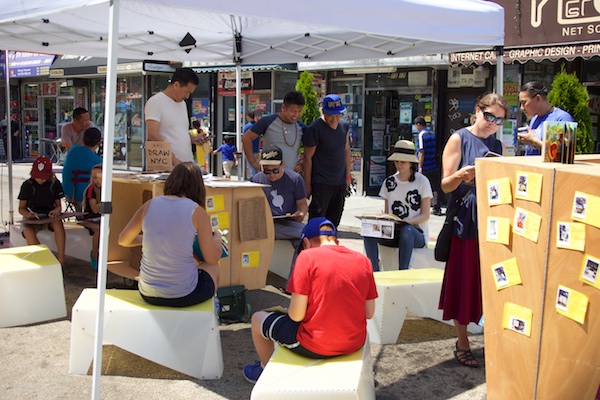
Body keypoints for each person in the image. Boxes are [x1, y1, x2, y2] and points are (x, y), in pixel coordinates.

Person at [243, 217, 378, 384]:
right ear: (335, 239)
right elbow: (369, 312)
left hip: (314, 344)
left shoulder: (307, 258)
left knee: (257, 319)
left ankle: (264, 369)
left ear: (306, 242)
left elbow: (296, 316)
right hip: (353, 342)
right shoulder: (363, 261)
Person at [438, 92, 508, 368]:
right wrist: (460, 176)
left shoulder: (497, 144)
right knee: (464, 280)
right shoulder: (459, 138)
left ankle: (491, 338)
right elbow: (444, 185)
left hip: (492, 218)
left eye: (499, 120)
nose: (492, 122)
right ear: (477, 111)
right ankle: (462, 341)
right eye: (489, 116)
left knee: (489, 282)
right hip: (465, 218)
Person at [118, 162, 223, 307]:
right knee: (212, 267)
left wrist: (152, 238)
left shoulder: (149, 205)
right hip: (182, 294)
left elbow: (123, 240)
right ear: (198, 186)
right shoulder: (197, 211)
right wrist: (217, 238)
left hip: (147, 292)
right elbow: (211, 259)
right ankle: (214, 308)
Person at [363, 140, 432, 271]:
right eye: (396, 161)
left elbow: (425, 215)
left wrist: (407, 222)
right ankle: (374, 270)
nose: (399, 165)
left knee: (407, 231)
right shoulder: (389, 182)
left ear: (411, 163)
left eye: (403, 162)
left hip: (415, 232)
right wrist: (380, 218)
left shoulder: (422, 181)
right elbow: (387, 212)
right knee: (368, 228)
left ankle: (403, 270)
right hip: (392, 231)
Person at [303, 94, 351, 228]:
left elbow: (346, 150)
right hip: (321, 181)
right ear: (323, 111)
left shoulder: (344, 126)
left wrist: (348, 175)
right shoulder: (315, 128)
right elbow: (307, 158)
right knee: (317, 222)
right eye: (331, 115)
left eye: (338, 115)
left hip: (339, 181)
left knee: (334, 221)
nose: (335, 118)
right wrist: (307, 185)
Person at [251, 145, 307, 250]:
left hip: (288, 222)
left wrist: (301, 213)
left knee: (301, 239)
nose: (271, 175)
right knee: (304, 232)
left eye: (275, 170)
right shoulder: (256, 180)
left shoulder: (295, 179)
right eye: (267, 171)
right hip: (265, 225)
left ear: (282, 165)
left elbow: (302, 204)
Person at [145, 68, 203, 166]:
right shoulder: (156, 102)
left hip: (186, 163)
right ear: (176, 85)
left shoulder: (182, 104)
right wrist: (173, 160)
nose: (187, 96)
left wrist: (193, 139)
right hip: (168, 166)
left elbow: (176, 132)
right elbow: (153, 135)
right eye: (186, 92)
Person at [242, 91, 307, 174]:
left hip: (291, 177)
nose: (296, 115)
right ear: (283, 108)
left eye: (299, 111)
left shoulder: (301, 127)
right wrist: (253, 163)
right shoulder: (267, 121)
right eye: (293, 111)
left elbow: (311, 148)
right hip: (269, 176)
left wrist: (302, 163)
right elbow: (246, 138)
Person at [18, 156, 66, 267]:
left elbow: (58, 205)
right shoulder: (27, 185)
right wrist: (28, 214)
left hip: (49, 215)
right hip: (33, 217)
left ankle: (61, 259)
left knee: (58, 223)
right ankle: (44, 260)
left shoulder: (55, 184)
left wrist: (56, 210)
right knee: (27, 231)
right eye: (38, 176)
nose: (41, 180)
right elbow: (21, 208)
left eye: (44, 177)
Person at [518, 81, 574, 156]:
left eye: (524, 103)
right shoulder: (535, 119)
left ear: (538, 98)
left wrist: (534, 141)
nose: (522, 108)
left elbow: (566, 154)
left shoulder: (562, 118)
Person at [61, 127, 103, 211]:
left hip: (69, 191)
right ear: (99, 143)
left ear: (83, 139)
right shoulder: (99, 162)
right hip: (88, 195)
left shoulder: (73, 150)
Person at [415, 116, 442, 216]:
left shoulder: (421, 135)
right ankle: (436, 207)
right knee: (434, 187)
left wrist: (420, 166)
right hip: (433, 165)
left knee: (420, 186)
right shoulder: (431, 133)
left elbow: (421, 151)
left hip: (425, 166)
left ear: (418, 125)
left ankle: (420, 207)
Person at [81, 164, 102, 270]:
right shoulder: (91, 189)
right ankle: (94, 255)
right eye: (94, 177)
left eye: (99, 177)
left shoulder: (108, 187)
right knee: (99, 230)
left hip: (102, 219)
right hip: (89, 219)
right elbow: (94, 209)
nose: (97, 180)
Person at [243, 111, 260, 177]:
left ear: (248, 117)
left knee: (251, 166)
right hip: (256, 149)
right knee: (257, 165)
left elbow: (244, 138)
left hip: (249, 149)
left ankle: (254, 179)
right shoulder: (258, 125)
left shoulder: (247, 126)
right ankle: (257, 178)